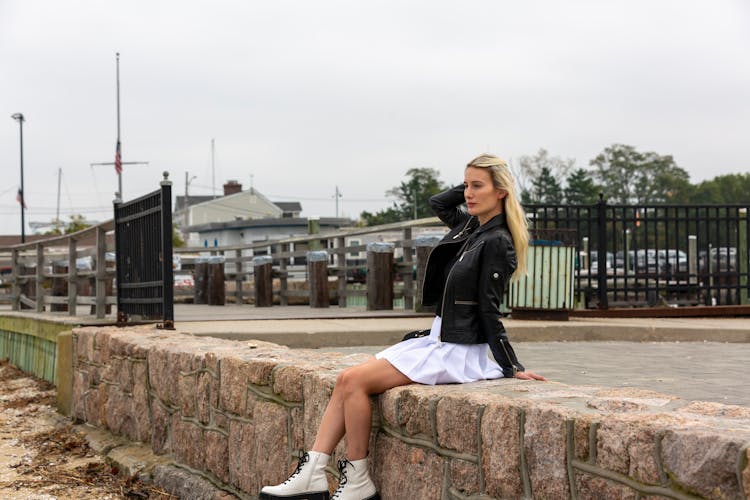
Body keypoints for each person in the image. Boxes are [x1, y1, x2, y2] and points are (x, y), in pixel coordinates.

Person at [259, 153, 546, 500]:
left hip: (458, 349)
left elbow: (489, 310)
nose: (468, 193)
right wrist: (472, 185)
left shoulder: (497, 241)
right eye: (466, 185)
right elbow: (439, 203)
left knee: (354, 381)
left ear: (501, 191)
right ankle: (314, 473)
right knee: (346, 379)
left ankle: (357, 480)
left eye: (477, 186)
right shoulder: (470, 227)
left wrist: (511, 366)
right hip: (439, 339)